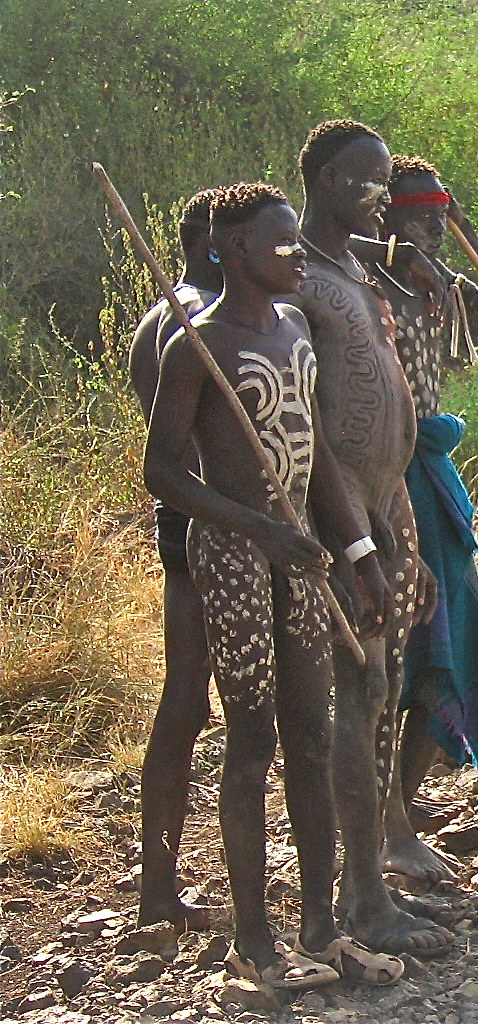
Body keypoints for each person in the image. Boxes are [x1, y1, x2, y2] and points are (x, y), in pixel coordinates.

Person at [144, 181, 403, 987]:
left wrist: (359, 552)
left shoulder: (293, 327)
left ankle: (322, 930)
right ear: (234, 252)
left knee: (313, 735)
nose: (297, 255)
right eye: (281, 244)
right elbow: (161, 473)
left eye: (298, 240)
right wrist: (258, 531)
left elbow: (317, 452)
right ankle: (254, 945)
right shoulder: (198, 346)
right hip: (233, 560)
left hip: (300, 557)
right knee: (251, 741)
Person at [294, 120, 454, 956]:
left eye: (384, 181)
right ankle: (355, 905)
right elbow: (306, 430)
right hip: (333, 525)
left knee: (381, 691)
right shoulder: (293, 283)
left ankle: (368, 890)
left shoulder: (357, 270)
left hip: (385, 511)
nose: (379, 196)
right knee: (351, 700)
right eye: (363, 181)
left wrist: (401, 533)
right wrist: (353, 540)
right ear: (322, 181)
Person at [373, 155, 478, 884]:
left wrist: (469, 231)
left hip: (430, 468)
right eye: (419, 214)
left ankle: (401, 799)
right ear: (384, 216)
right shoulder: (368, 288)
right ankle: (384, 822)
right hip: (383, 474)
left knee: (450, 633)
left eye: (439, 213)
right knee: (410, 643)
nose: (430, 226)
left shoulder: (441, 285)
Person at [129, 188, 223, 931]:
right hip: (216, 523)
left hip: (184, 521)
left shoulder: (158, 318)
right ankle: (164, 890)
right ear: (214, 245)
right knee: (220, 704)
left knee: (185, 700)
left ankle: (158, 884)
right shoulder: (197, 318)